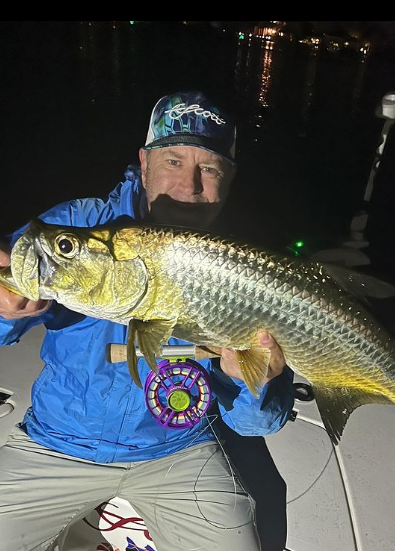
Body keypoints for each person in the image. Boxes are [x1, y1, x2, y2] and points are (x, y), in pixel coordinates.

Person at [0, 91, 294, 551]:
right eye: (173, 160)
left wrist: (252, 382)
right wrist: (3, 308)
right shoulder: (78, 225)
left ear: (229, 179)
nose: (189, 185)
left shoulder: (243, 269)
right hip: (56, 442)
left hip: (180, 452)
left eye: (210, 169)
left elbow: (256, 425)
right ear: (143, 161)